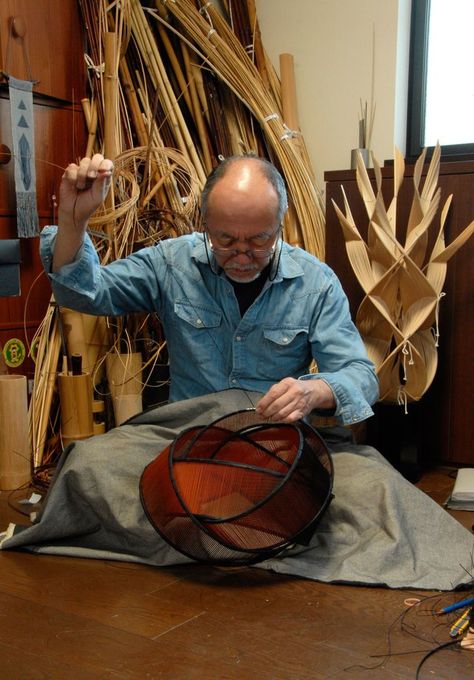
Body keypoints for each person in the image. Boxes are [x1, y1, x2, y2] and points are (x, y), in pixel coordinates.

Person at [40, 153, 379, 425]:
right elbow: (83, 293)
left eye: (260, 239)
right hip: (188, 436)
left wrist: (315, 391)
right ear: (204, 224)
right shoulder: (172, 264)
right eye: (225, 240)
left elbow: (362, 376)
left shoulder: (315, 284)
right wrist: (74, 219)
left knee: (375, 491)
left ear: (280, 224)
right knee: (84, 468)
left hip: (277, 443)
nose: (242, 255)